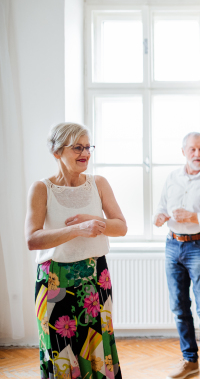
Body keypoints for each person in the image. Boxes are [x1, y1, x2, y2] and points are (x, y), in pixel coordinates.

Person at [25, 122, 127, 379]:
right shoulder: (41, 188)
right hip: (54, 279)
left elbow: (121, 227)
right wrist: (77, 229)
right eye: (77, 148)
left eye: (88, 147)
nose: (85, 153)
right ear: (57, 151)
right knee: (60, 349)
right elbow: (32, 239)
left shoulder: (99, 183)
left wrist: (96, 222)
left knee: (97, 346)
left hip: (95, 275)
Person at [153, 132, 200, 379]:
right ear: (183, 151)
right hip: (172, 245)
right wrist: (159, 216)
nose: (197, 154)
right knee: (179, 307)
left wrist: (195, 217)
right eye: (193, 149)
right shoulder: (172, 178)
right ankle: (189, 361)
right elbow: (162, 207)